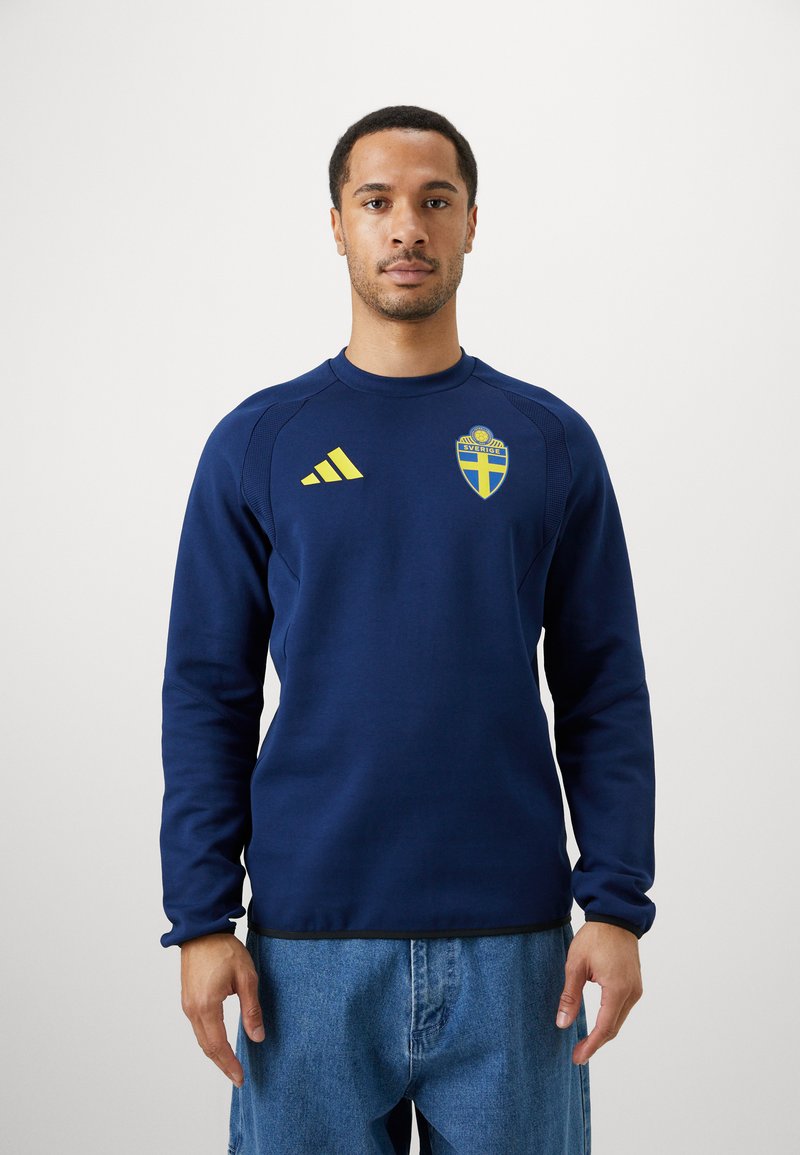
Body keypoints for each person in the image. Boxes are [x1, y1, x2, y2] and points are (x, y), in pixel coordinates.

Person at [159, 104, 656, 1155]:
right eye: (376, 201)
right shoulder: (258, 442)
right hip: (304, 947)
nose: (406, 227)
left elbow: (602, 684)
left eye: (435, 201)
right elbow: (208, 690)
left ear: (471, 221)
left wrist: (614, 903)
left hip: (516, 947)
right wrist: (201, 917)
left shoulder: (546, 441)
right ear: (337, 224)